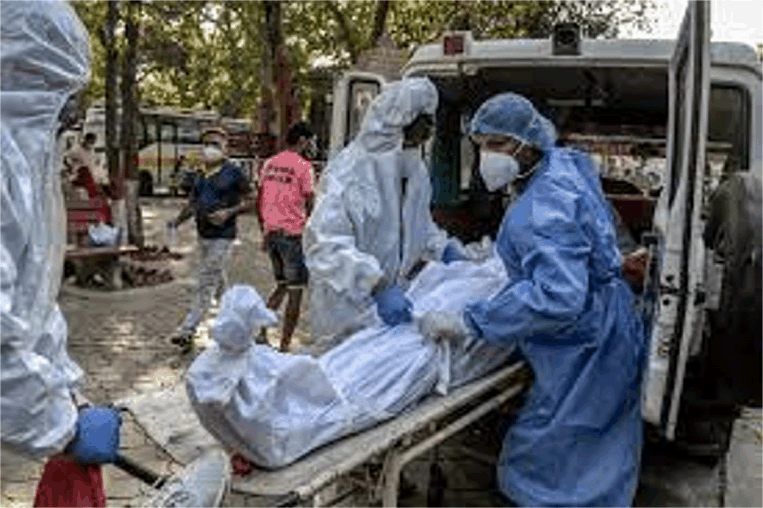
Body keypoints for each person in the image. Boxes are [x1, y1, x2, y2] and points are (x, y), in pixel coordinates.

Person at [0, 2, 230, 506]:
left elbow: (29, 305)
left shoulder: (22, 159)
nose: (69, 109)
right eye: (58, 87)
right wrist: (57, 424)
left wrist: (67, 392)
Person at [419, 92, 646, 506]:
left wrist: (471, 321)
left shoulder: (542, 205)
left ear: (527, 142)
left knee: (560, 442)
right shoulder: (564, 164)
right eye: (482, 144)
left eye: (498, 144)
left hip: (586, 343)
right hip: (609, 319)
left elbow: (557, 296)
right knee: (600, 437)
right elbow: (573, 246)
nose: (488, 155)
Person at [303, 77, 469, 353]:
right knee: (342, 373)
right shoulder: (348, 172)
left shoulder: (414, 170)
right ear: (396, 126)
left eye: (428, 128)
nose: (426, 136)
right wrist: (374, 282)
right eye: (419, 128)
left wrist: (444, 249)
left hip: (391, 301)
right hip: (346, 303)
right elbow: (324, 245)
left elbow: (419, 226)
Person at [168, 126, 254, 350]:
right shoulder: (200, 173)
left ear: (226, 148)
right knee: (219, 285)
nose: (210, 149)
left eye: (216, 144)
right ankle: (241, 325)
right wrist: (177, 221)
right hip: (203, 235)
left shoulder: (234, 172)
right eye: (207, 144)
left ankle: (188, 329)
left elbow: (252, 201)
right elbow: (192, 203)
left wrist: (229, 212)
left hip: (223, 236)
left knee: (205, 281)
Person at [256, 122, 316, 352]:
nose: (311, 145)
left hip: (271, 234)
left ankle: (261, 332)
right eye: (309, 141)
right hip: (292, 236)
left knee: (281, 285)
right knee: (295, 292)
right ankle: (284, 346)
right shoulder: (303, 167)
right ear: (302, 140)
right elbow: (311, 203)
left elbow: (259, 200)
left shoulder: (270, 163)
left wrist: (264, 230)